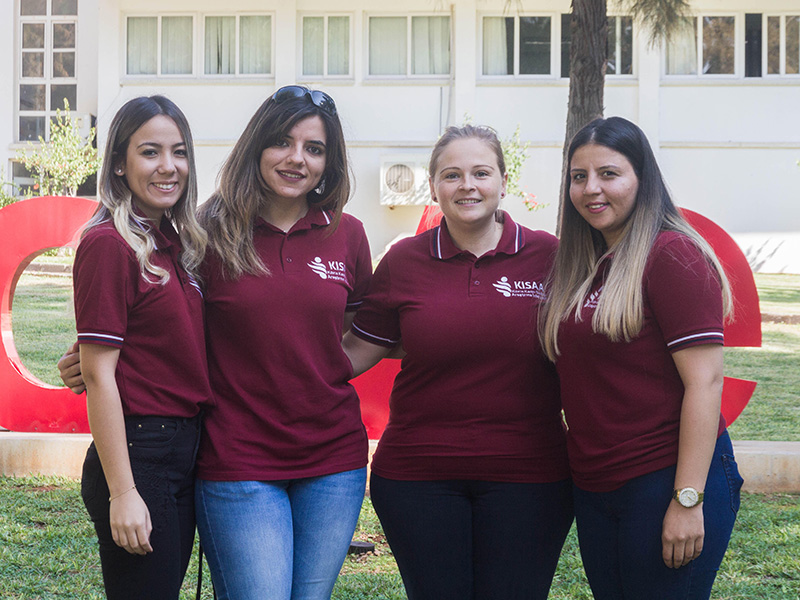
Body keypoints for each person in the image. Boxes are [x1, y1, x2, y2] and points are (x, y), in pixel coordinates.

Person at [60, 86, 372, 600]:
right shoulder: (207, 232)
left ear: (330, 162)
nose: (297, 159)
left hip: (331, 458)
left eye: (314, 148)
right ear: (256, 148)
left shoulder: (347, 234)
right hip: (236, 455)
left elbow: (363, 329)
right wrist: (92, 365)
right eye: (282, 143)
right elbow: (130, 335)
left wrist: (322, 371)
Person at [342, 125, 573, 600]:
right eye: (452, 175)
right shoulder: (405, 260)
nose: (467, 185)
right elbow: (355, 353)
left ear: (503, 183)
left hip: (531, 477)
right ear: (434, 187)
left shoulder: (550, 256)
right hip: (418, 478)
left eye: (481, 172)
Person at [538, 116, 743, 599]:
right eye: (578, 176)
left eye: (609, 174)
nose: (592, 189)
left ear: (642, 178)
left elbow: (706, 382)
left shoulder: (672, 254)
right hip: (596, 484)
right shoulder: (585, 264)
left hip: (665, 479)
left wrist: (687, 499)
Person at [73, 95, 211, 599]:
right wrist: (123, 492)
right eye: (150, 152)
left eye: (179, 152)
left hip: (183, 450)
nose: (168, 167)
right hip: (140, 453)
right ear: (118, 163)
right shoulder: (109, 243)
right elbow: (98, 376)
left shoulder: (173, 243)